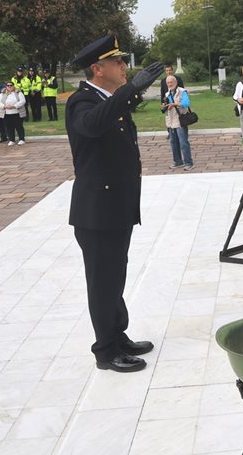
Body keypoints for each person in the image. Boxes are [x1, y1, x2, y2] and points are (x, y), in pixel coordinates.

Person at [65, 34, 164, 373]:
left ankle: (117, 335)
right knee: (102, 282)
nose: (124, 66)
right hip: (96, 213)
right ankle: (105, 351)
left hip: (116, 208)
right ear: (97, 69)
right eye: (117, 62)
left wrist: (127, 94)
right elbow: (94, 125)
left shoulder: (106, 99)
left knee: (114, 278)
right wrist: (131, 89)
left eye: (123, 61)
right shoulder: (82, 102)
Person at [163, 74, 194, 171]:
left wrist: (174, 104)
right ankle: (177, 161)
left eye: (171, 82)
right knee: (173, 143)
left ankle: (189, 163)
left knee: (183, 142)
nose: (169, 84)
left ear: (175, 82)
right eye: (168, 83)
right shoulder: (167, 94)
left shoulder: (182, 91)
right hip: (171, 121)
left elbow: (186, 103)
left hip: (180, 121)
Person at [0, 81, 27, 145]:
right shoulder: (2, 94)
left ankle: (22, 139)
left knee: (19, 126)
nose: (9, 87)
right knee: (9, 127)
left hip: (17, 113)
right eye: (8, 85)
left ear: (13, 86)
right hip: (7, 113)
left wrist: (14, 106)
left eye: (11, 85)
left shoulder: (18, 93)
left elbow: (23, 101)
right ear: (6, 87)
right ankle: (11, 140)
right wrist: (4, 106)